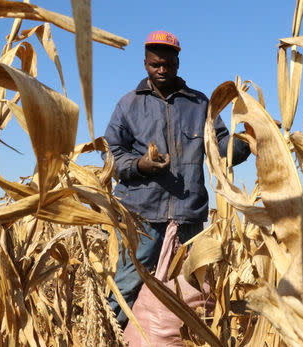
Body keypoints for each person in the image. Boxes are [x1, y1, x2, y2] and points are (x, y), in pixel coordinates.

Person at [104, 30, 250, 328]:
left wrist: (248, 140)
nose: (161, 70)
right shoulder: (129, 105)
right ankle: (117, 335)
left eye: (167, 64)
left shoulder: (199, 104)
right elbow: (111, 156)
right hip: (140, 216)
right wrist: (141, 165)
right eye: (155, 64)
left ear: (177, 63)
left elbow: (221, 146)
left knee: (189, 289)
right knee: (128, 286)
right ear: (145, 63)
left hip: (188, 217)